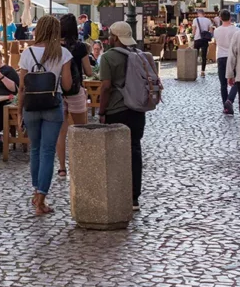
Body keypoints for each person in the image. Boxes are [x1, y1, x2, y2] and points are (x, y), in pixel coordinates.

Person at [17, 15, 72, 216]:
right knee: (48, 151)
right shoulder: (63, 53)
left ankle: (36, 191)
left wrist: (18, 111)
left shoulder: (27, 53)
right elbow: (67, 85)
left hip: (30, 106)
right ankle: (41, 198)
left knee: (35, 150)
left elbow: (22, 87)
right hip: (52, 105)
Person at [98, 21, 148, 210]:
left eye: (110, 35)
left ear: (114, 38)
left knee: (115, 154)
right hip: (137, 110)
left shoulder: (108, 57)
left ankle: (118, 194)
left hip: (116, 110)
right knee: (135, 150)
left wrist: (101, 112)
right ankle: (134, 197)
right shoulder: (138, 55)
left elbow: (105, 87)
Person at [57, 14, 92, 179]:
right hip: (75, 91)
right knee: (81, 130)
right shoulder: (80, 47)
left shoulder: (54, 47)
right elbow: (89, 71)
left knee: (61, 132)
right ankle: (81, 164)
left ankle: (62, 168)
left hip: (58, 92)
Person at [213, 9, 240, 115]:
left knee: (223, 84)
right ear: (230, 18)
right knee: (237, 80)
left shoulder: (216, 30)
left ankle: (226, 106)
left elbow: (216, 42)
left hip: (221, 57)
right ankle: (230, 99)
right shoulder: (236, 30)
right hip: (233, 57)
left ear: (220, 18)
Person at [192, 9, 214, 77]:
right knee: (204, 56)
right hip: (205, 40)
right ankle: (202, 72)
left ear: (198, 14)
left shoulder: (195, 20)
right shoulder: (208, 20)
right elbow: (211, 31)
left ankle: (194, 70)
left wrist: (193, 36)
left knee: (195, 55)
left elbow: (193, 31)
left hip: (197, 39)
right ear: (204, 14)